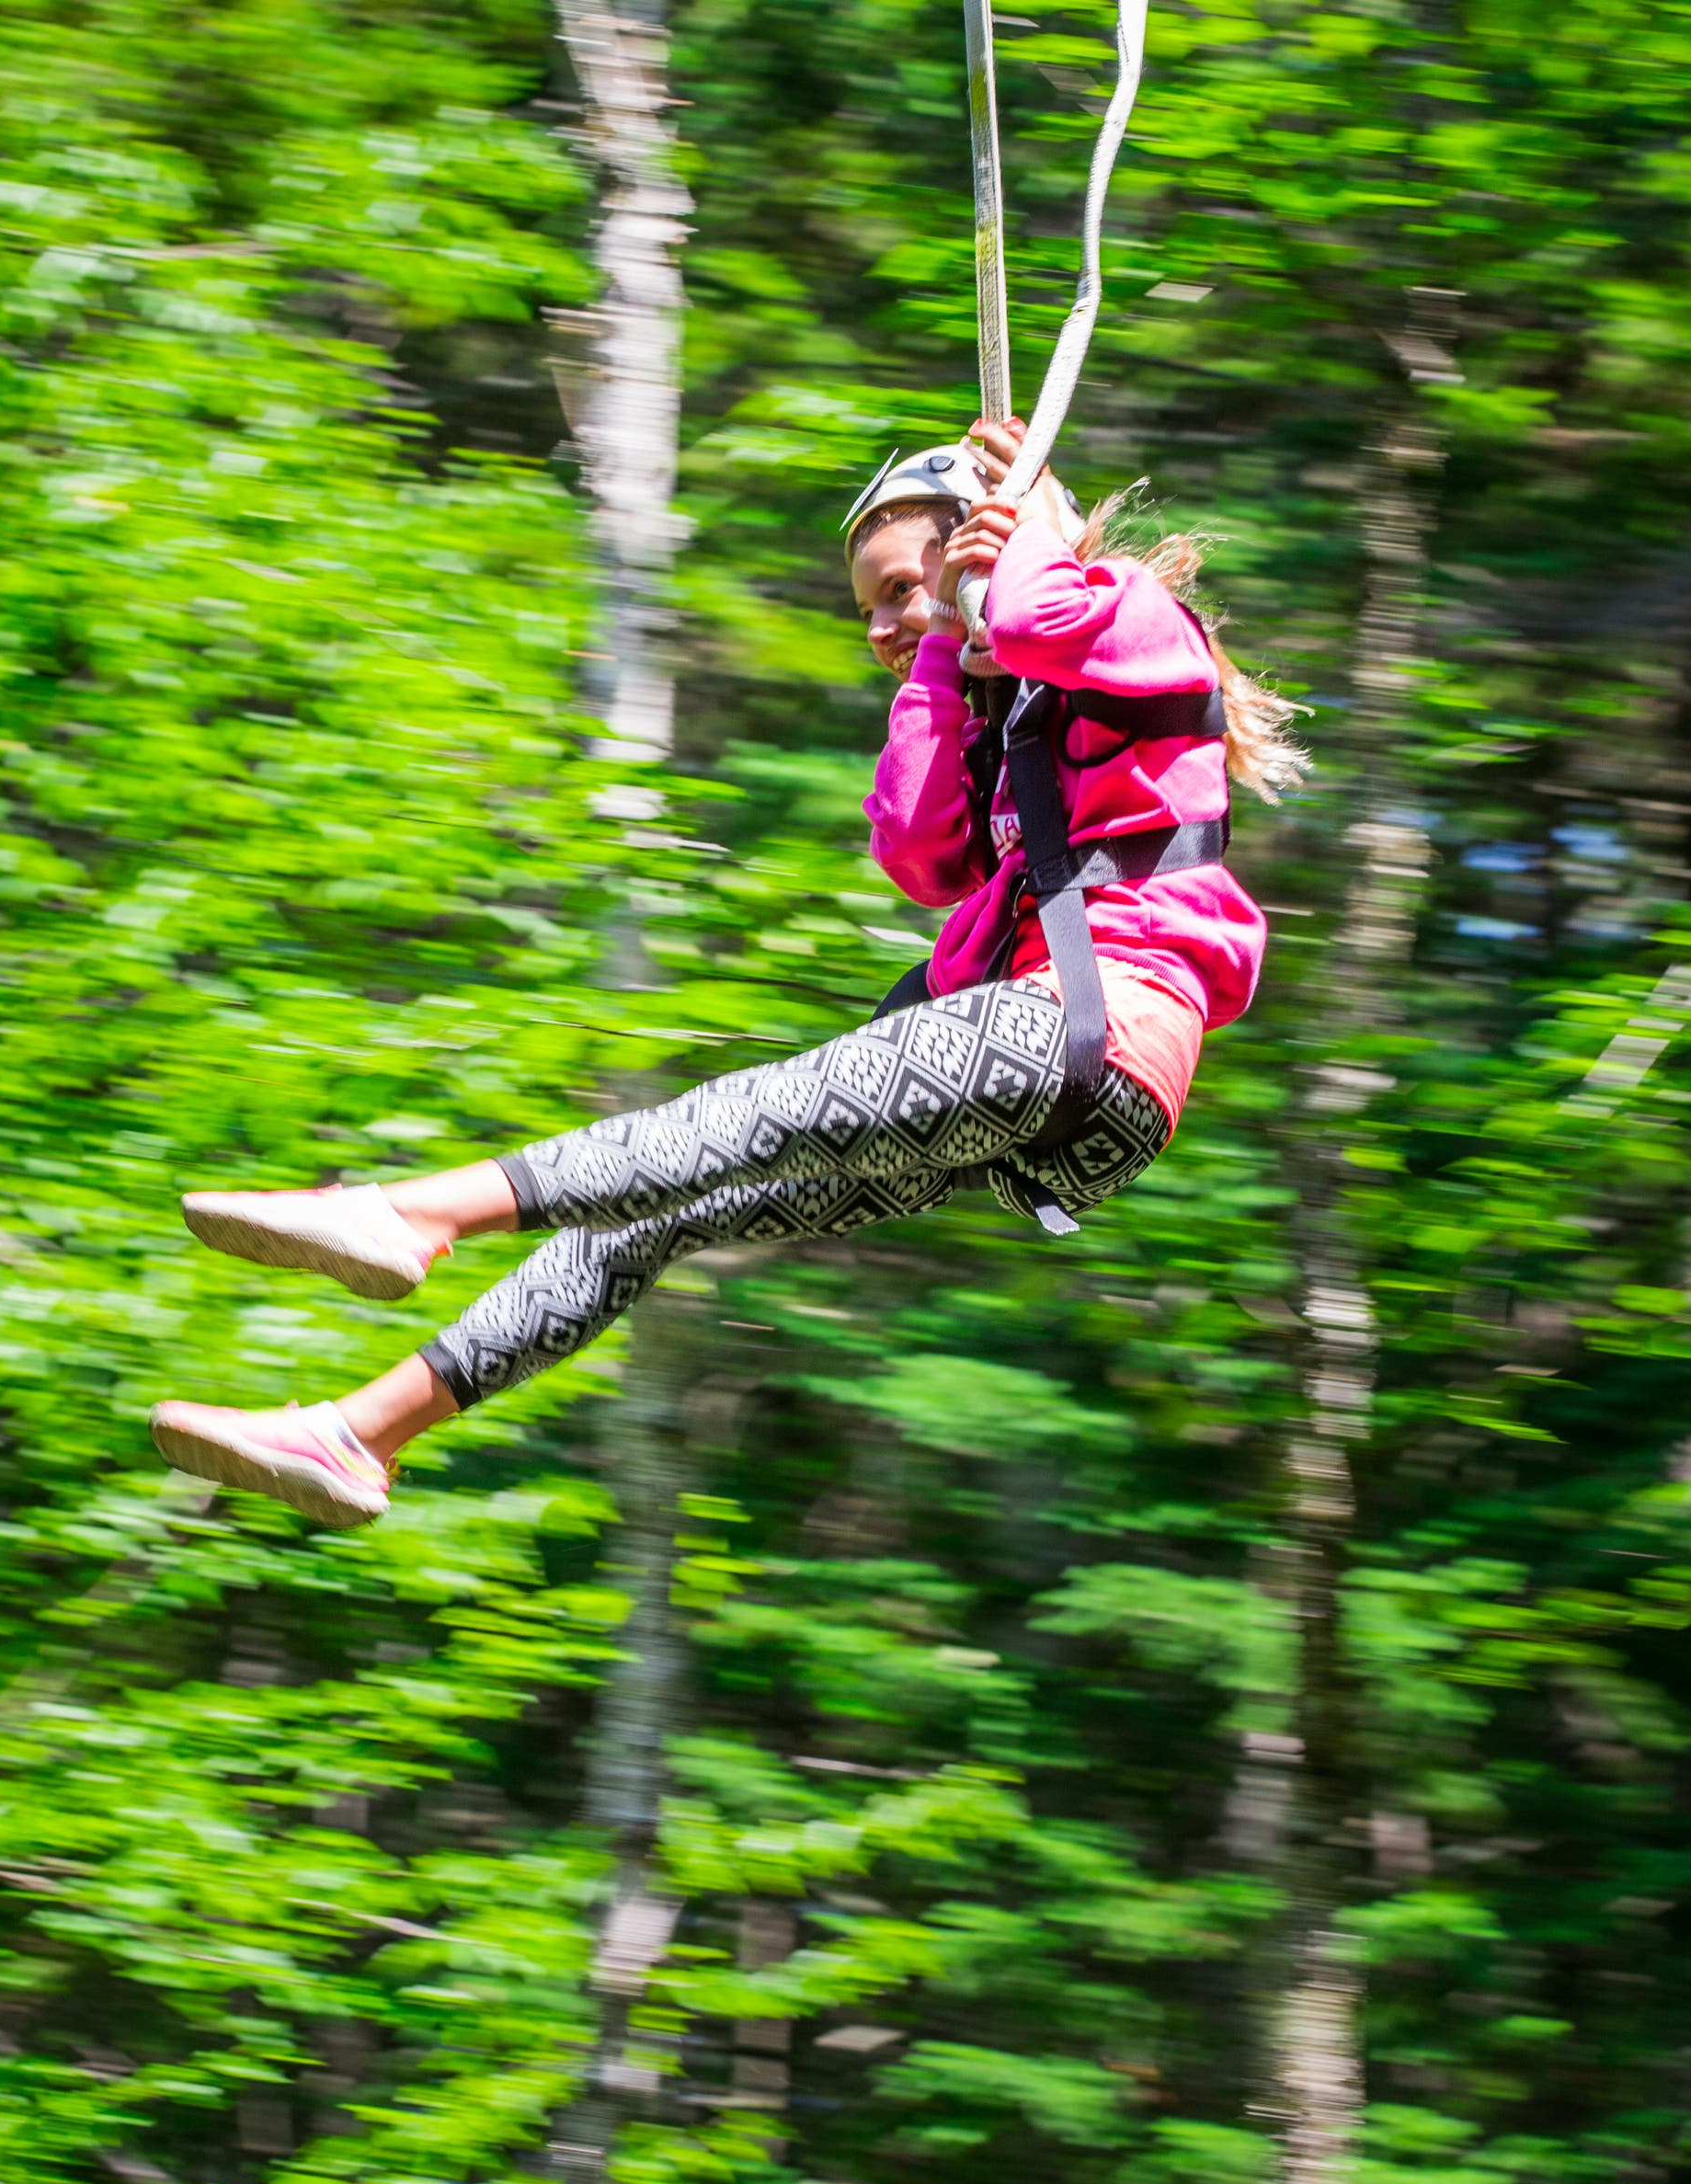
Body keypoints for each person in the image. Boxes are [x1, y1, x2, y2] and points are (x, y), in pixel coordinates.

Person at [150, 417, 1303, 1528]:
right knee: (652, 1212)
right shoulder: (1004, 709)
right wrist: (949, 644)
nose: (884, 625)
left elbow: (1049, 614)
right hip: (1045, 1092)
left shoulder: (1133, 622)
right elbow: (918, 848)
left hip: (1091, 1028)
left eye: (905, 587)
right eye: (871, 609)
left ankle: (411, 1213)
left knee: (725, 1122)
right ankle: (360, 1432)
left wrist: (1016, 548)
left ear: (986, 544)